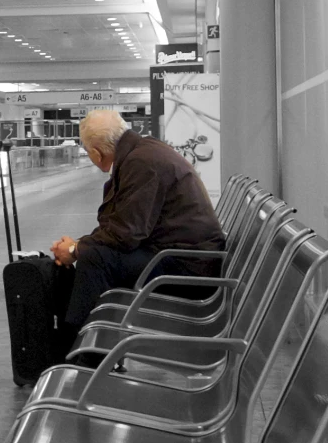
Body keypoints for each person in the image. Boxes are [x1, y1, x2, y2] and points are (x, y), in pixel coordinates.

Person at [51, 109, 225, 332]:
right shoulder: (142, 152)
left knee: (96, 259)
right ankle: (92, 348)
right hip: (188, 258)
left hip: (188, 268)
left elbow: (127, 234)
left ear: (96, 153)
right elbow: (120, 224)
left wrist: (76, 249)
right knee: (96, 254)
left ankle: (83, 354)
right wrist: (79, 244)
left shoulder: (141, 163)